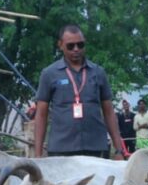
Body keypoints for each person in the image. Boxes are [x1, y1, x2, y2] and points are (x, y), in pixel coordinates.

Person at [33, 25, 128, 160]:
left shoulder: (98, 72)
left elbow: (109, 112)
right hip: (61, 149)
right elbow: (41, 114)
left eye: (80, 45)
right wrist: (37, 155)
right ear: (60, 45)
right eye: (70, 46)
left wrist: (119, 151)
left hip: (95, 147)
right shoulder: (49, 74)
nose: (76, 49)